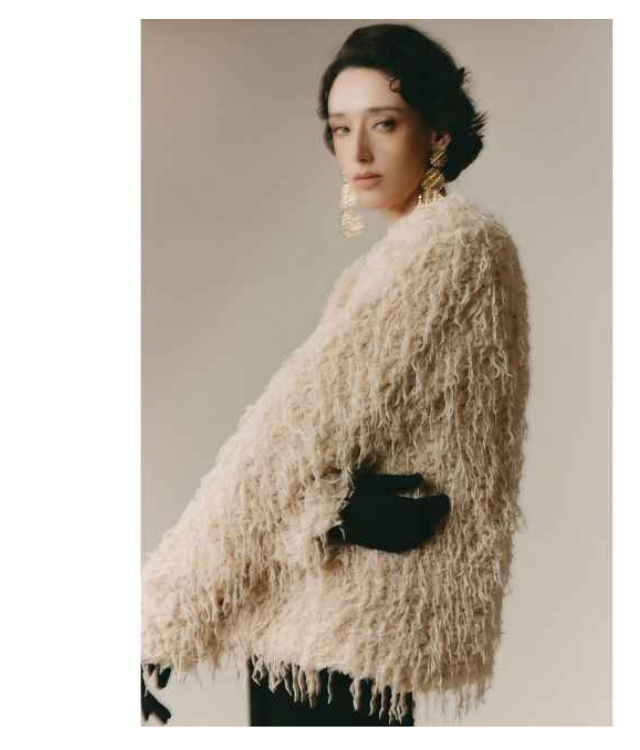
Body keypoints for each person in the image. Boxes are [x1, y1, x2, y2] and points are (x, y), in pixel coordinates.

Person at [142, 21, 530, 729]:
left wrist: (157, 625)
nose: (357, 152)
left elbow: (283, 445)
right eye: (340, 128)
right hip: (322, 629)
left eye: (383, 123)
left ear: (437, 131)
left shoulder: (450, 249)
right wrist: (329, 509)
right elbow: (318, 460)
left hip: (344, 635)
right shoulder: (396, 261)